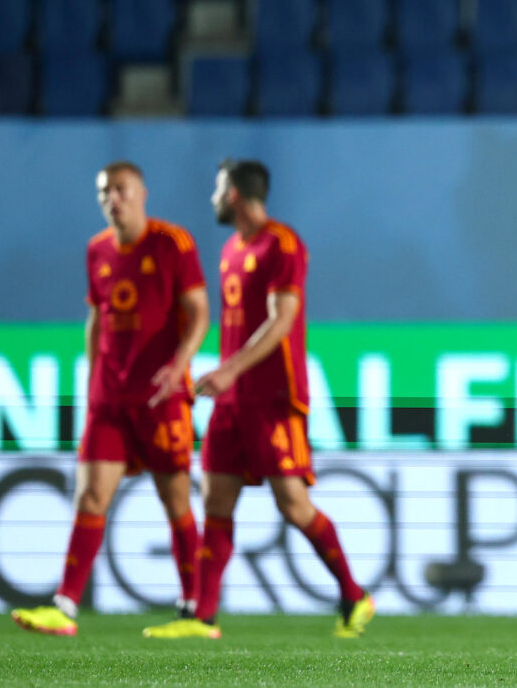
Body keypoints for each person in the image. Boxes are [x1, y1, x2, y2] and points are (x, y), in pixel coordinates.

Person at [143, 159, 373, 640]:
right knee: (216, 499)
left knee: (293, 505)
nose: (212, 198)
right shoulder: (231, 249)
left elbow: (282, 319)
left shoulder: (282, 244)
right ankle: (202, 617)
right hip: (233, 401)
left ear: (233, 195)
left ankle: (354, 595)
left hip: (274, 398)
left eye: (217, 188)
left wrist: (229, 369)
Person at [11, 161, 209, 636]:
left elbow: (200, 311)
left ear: (142, 192)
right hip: (110, 399)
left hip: (160, 396)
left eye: (120, 189)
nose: (112, 199)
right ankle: (65, 606)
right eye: (104, 192)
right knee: (91, 495)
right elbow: (97, 320)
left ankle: (195, 609)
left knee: (175, 500)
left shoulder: (173, 243)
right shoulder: (96, 249)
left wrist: (180, 363)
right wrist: (92, 382)